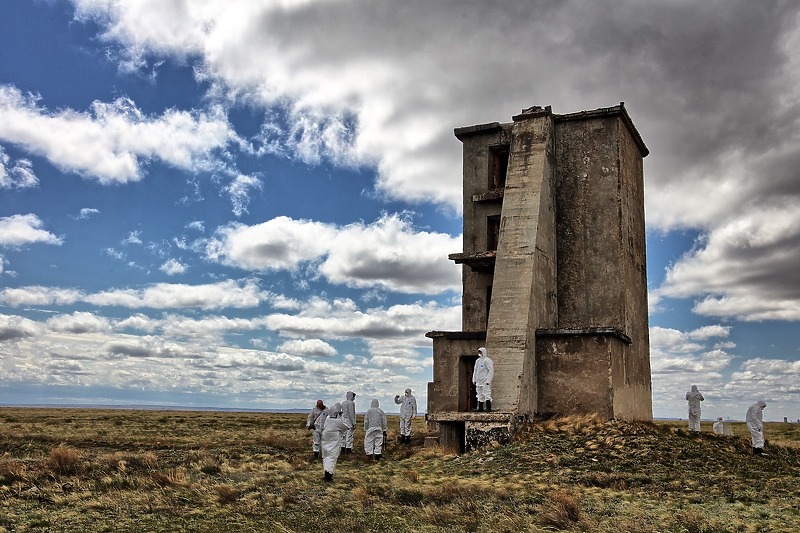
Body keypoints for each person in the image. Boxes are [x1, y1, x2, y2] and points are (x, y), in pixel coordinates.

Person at [321, 403, 353, 481]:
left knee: (326, 458)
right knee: (332, 458)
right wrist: (342, 416)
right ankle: (329, 475)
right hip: (334, 443)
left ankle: (326, 473)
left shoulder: (328, 419)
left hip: (325, 442)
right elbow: (346, 426)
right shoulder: (337, 421)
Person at [473, 347, 495, 412]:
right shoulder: (478, 361)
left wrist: (488, 380)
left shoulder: (487, 360)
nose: (479, 353)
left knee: (486, 393)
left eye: (481, 352)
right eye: (479, 352)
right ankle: (480, 408)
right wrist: (474, 379)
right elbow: (475, 371)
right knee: (479, 394)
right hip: (478, 381)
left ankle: (488, 407)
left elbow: (491, 371)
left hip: (485, 381)